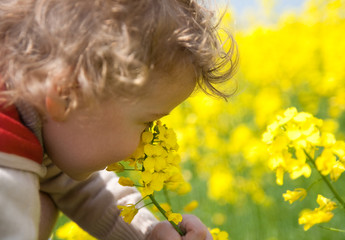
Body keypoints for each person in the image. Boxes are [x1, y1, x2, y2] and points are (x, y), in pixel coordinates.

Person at [0, 0, 237, 239]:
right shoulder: (8, 173)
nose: (148, 139)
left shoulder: (33, 122)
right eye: (147, 123)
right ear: (66, 92)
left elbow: (81, 188)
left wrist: (148, 232)